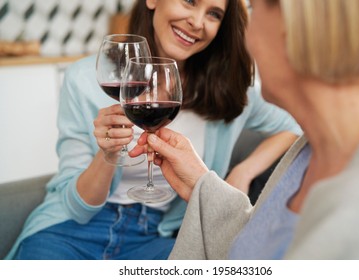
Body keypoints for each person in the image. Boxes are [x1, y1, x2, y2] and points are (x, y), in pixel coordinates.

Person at [6, 0, 300, 260]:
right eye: (189, 1)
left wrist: (243, 172)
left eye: (213, 14)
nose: (197, 22)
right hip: (71, 231)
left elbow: (294, 125)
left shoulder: (232, 89)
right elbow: (78, 208)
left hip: (155, 237)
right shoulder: (84, 79)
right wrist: (107, 154)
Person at [131, 0, 359, 259]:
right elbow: (259, 250)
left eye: (253, 9)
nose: (245, 39)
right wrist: (202, 185)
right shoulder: (311, 149)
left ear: (295, 24)